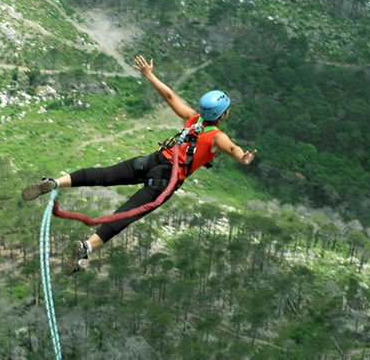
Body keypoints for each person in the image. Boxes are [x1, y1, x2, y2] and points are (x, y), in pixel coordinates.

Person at [22, 55, 257, 273]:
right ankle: (87, 247)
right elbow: (232, 149)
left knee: (103, 175)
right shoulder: (217, 135)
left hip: (152, 161)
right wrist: (243, 159)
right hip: (166, 180)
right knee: (125, 214)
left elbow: (170, 96)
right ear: (222, 114)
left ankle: (55, 182)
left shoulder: (192, 118)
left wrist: (149, 75)